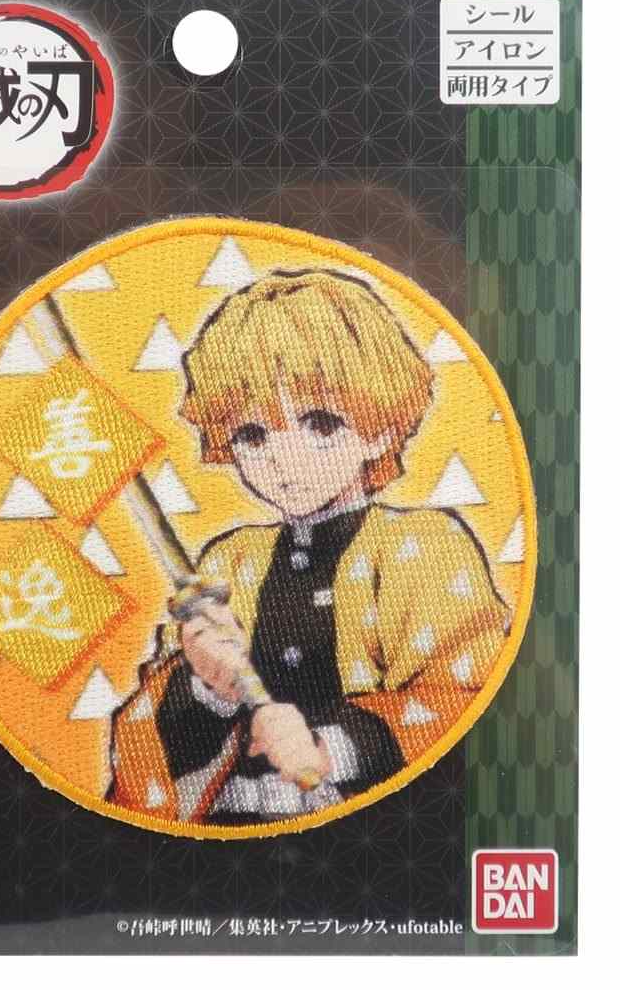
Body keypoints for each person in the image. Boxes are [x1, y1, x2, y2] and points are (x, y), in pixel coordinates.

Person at [109, 268, 509, 826]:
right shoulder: (229, 561)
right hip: (227, 827)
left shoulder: (424, 548)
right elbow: (150, 745)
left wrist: (329, 747)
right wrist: (206, 690)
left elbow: (467, 699)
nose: (282, 457)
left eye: (321, 424)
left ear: (380, 427)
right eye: (252, 435)